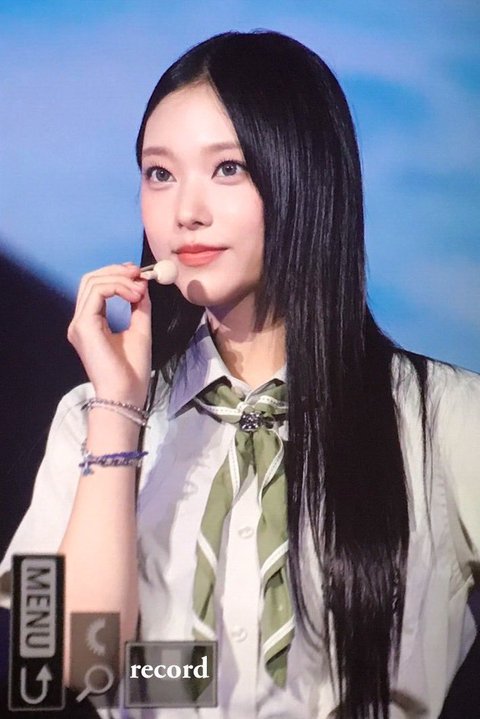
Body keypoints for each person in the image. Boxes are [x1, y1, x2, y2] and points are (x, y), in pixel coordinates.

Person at [1, 30, 479, 719]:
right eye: (159, 174)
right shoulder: (87, 420)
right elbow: (52, 670)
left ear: (305, 178)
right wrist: (117, 417)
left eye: (227, 168)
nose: (185, 212)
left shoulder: (447, 418)